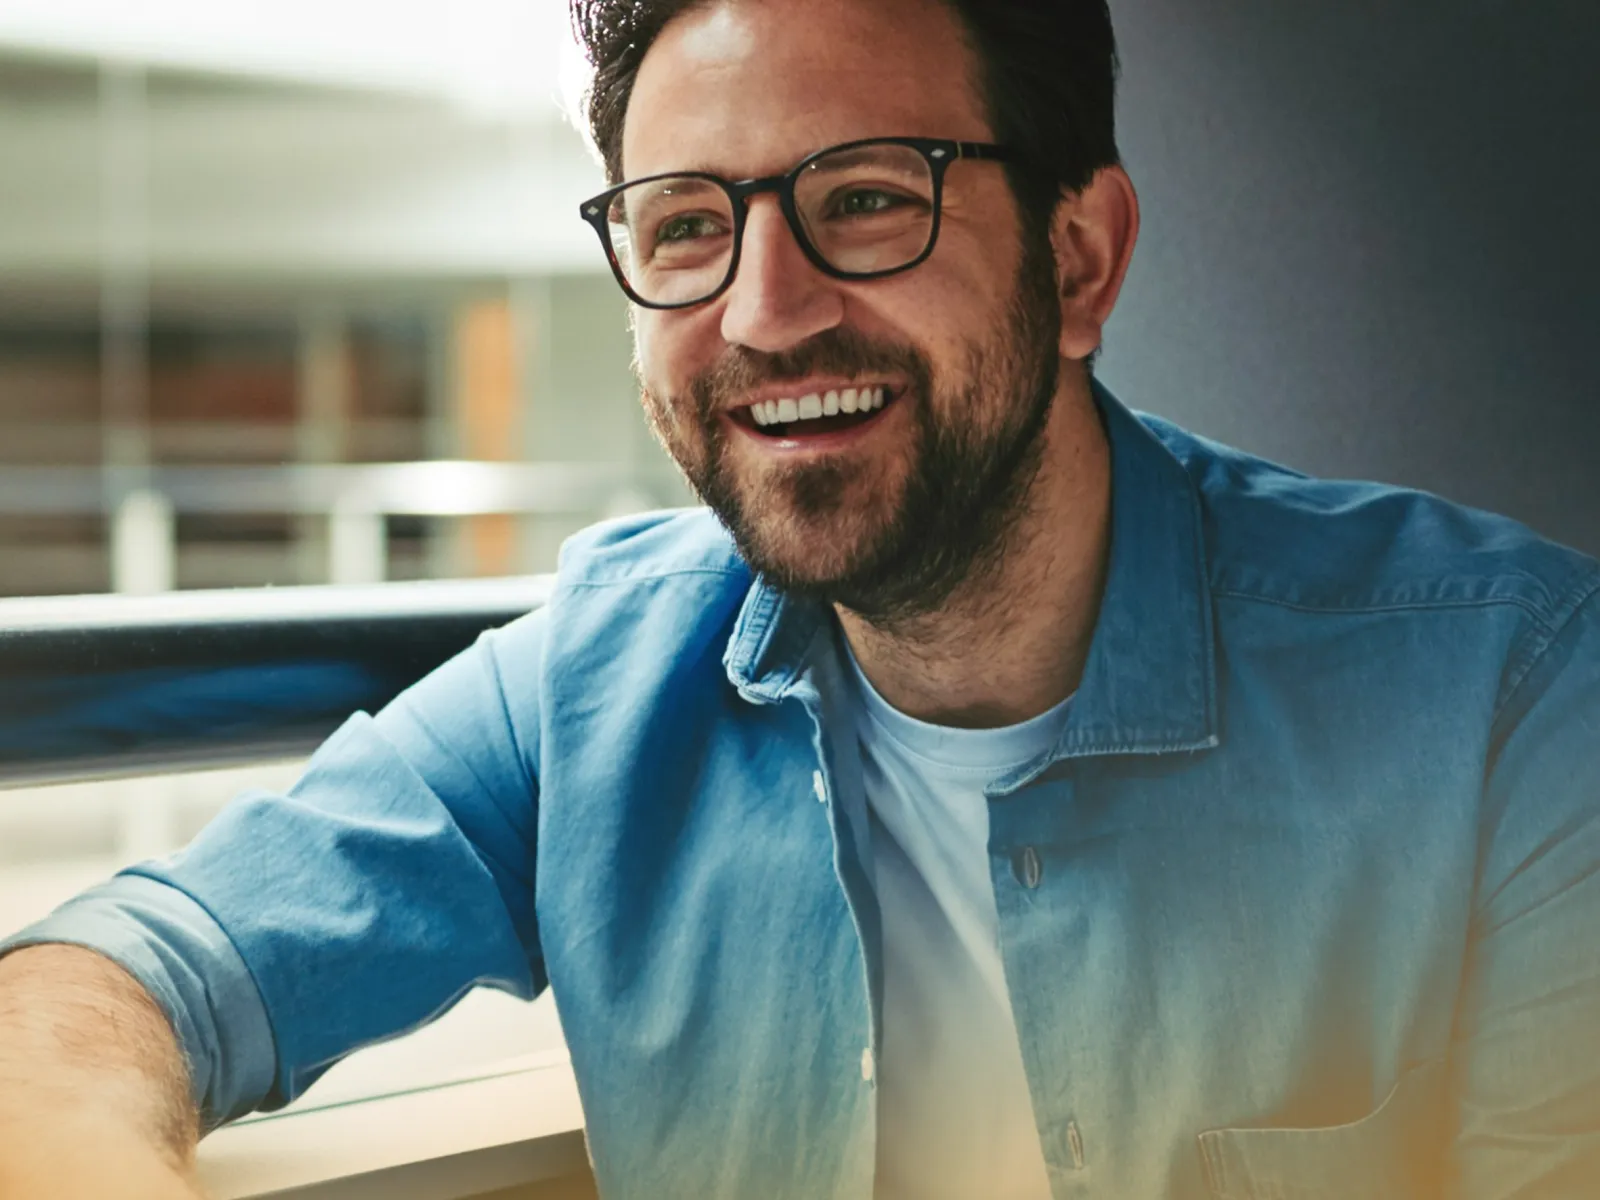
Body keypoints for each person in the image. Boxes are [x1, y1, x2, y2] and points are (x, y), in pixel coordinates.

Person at [2, 0, 1598, 1196]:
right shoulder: (587, 694)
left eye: (865, 198)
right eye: (688, 225)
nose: (765, 315)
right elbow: (110, 983)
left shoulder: (1516, 697)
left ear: (1082, 260)